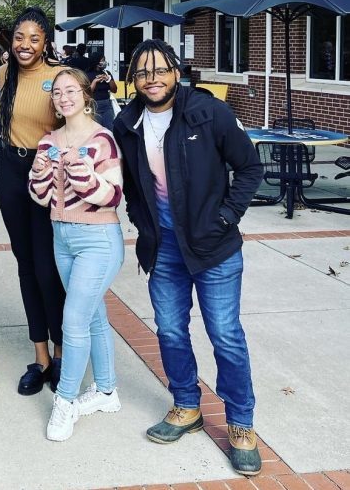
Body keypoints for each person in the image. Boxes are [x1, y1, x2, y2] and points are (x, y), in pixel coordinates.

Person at [112, 39, 264, 476]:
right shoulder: (129, 124)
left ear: (176, 72)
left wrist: (226, 216)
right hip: (164, 251)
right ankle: (186, 405)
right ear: (133, 80)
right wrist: (142, 224)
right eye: (142, 72)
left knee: (225, 335)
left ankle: (241, 424)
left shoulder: (206, 112)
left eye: (160, 70)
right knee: (172, 331)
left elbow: (250, 167)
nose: (152, 79)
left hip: (214, 248)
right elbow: (132, 186)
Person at [27, 68, 124, 441]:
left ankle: (65, 402)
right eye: (57, 93)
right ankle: (106, 391)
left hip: (97, 239)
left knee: (73, 320)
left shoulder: (103, 140)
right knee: (93, 316)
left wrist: (83, 175)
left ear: (86, 95)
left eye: (71, 91)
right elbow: (39, 196)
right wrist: (41, 172)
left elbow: (112, 195)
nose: (63, 98)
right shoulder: (49, 140)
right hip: (61, 236)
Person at [0, 6, 69, 396]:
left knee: (47, 268)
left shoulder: (57, 78)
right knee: (25, 265)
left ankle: (61, 354)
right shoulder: (5, 74)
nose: (25, 45)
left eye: (34, 38)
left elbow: (74, 127)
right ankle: (39, 357)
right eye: (19, 37)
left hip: (44, 174)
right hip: (9, 169)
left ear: (45, 44)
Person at [87, 52, 118, 131]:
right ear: (96, 62)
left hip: (107, 105)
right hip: (94, 106)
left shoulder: (107, 73)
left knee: (110, 129)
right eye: (103, 60)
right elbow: (87, 93)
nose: (104, 62)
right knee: (96, 131)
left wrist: (109, 80)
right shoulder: (87, 74)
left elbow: (114, 90)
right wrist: (94, 81)